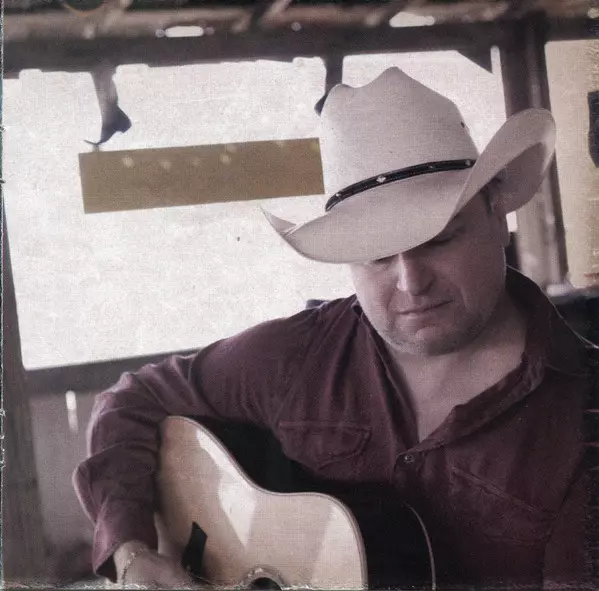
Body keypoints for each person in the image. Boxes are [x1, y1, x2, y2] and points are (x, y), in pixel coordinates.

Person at [73, 68, 597, 589]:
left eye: (439, 239)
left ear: (497, 216)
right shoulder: (300, 356)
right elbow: (132, 402)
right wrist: (131, 552)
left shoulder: (584, 418)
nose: (411, 282)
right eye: (376, 256)